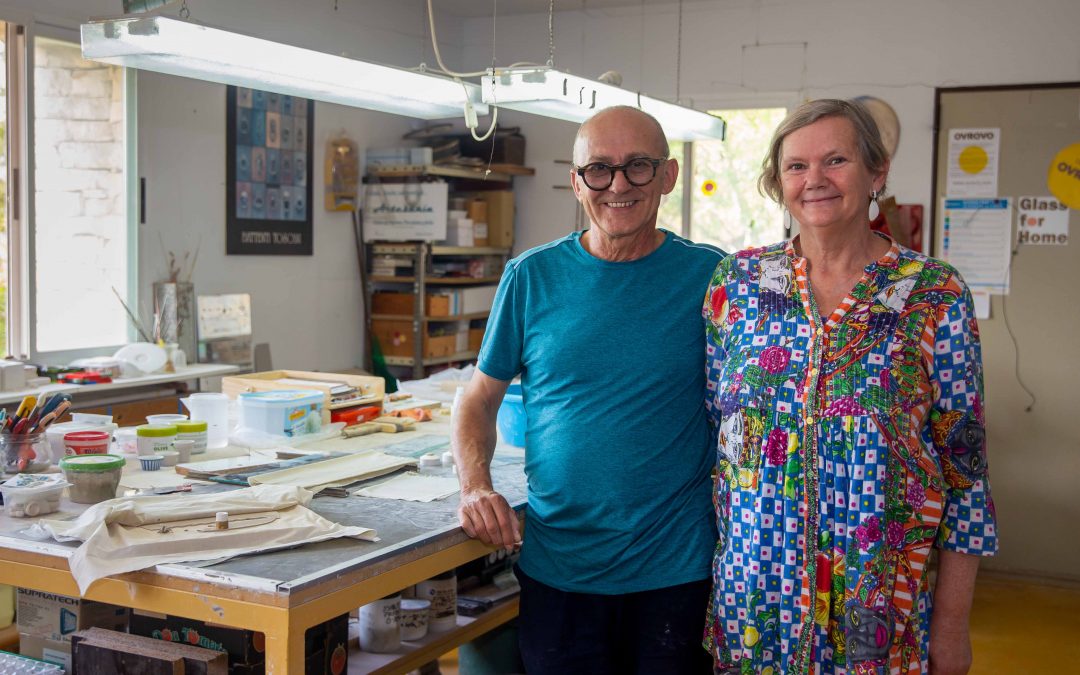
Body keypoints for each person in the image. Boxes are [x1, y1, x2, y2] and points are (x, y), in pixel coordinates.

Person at [702, 98, 997, 675]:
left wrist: (952, 627)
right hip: (754, 614)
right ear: (778, 181)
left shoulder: (933, 294)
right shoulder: (737, 283)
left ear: (876, 172)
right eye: (796, 166)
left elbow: (966, 476)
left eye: (835, 160)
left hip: (877, 620)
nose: (814, 179)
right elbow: (714, 436)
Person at [452, 105, 724, 674]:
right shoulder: (531, 276)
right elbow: (478, 398)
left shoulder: (714, 279)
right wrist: (475, 487)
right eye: (599, 169)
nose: (618, 185)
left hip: (675, 573)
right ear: (577, 183)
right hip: (561, 570)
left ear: (668, 176)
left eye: (638, 166)